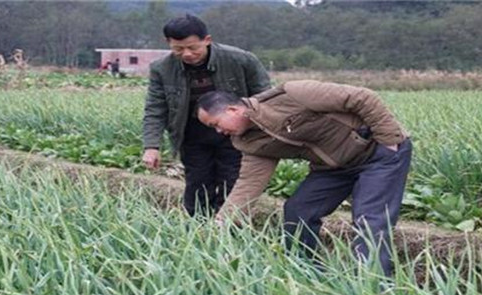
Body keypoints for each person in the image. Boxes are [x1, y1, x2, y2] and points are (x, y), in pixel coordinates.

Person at [197, 80, 412, 276]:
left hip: (377, 153)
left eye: (216, 124)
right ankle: (305, 271)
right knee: (298, 210)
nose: (218, 131)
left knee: (370, 217)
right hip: (333, 167)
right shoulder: (247, 142)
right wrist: (223, 220)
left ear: (232, 109)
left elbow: (362, 97)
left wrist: (389, 140)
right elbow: (249, 183)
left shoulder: (292, 94)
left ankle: (373, 283)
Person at [142, 14, 271, 216]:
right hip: (192, 134)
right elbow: (155, 108)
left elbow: (265, 97)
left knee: (233, 181)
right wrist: (151, 146)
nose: (186, 54)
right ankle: (199, 231)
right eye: (178, 49)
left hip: (235, 132)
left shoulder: (240, 59)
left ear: (207, 40)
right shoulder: (161, 69)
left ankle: (230, 231)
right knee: (197, 183)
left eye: (193, 48)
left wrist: (262, 131)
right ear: (169, 44)